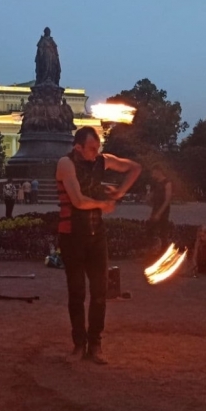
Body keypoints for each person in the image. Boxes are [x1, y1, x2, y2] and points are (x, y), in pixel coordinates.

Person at [56, 126, 141, 364]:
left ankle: (95, 344)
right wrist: (105, 204)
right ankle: (78, 344)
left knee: (100, 293)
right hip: (72, 236)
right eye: (92, 148)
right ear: (78, 147)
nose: (97, 152)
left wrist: (119, 193)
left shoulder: (102, 161)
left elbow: (135, 168)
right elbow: (78, 201)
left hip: (96, 235)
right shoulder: (65, 164)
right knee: (77, 293)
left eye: (98, 147)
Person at [147, 165, 173, 252]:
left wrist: (159, 213)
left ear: (159, 172)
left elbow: (167, 199)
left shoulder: (167, 182)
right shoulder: (156, 183)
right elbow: (152, 194)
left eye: (154, 173)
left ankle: (164, 251)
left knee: (163, 231)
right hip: (155, 208)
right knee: (150, 229)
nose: (152, 175)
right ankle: (153, 248)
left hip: (163, 211)